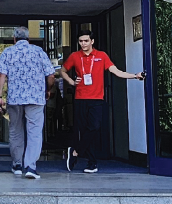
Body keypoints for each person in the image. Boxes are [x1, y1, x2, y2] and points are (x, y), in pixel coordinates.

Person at [58, 29, 143, 173]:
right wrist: (72, 82)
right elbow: (62, 70)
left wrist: (135, 75)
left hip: (97, 98)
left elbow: (116, 71)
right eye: (81, 41)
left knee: (94, 127)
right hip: (80, 98)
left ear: (92, 41)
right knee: (85, 130)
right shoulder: (74, 56)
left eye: (86, 41)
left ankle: (75, 152)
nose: (83, 44)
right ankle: (92, 164)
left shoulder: (101, 56)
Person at [0, 27, 58, 179]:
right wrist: (47, 89)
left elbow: (1, 75)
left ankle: (17, 164)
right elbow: (51, 75)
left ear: (14, 39)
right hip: (36, 98)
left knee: (15, 130)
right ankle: (30, 167)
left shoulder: (8, 52)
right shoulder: (38, 51)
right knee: (34, 132)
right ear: (28, 39)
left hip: (15, 98)